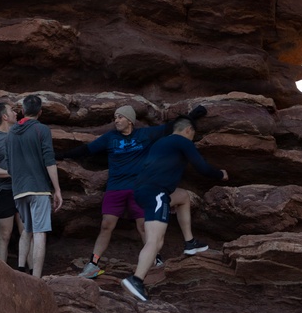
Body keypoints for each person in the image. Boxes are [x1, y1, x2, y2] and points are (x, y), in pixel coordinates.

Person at [57, 105, 210, 278]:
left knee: (144, 226)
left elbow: (172, 128)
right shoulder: (110, 138)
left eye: (119, 117)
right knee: (106, 224)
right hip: (115, 188)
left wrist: (193, 116)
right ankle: (93, 263)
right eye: (115, 117)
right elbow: (86, 150)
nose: (116, 120)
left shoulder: (144, 135)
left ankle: (155, 261)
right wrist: (61, 155)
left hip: (139, 188)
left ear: (130, 120)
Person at [122, 118, 227, 302]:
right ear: (188, 130)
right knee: (155, 241)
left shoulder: (162, 142)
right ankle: (136, 279)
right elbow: (201, 166)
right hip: (156, 192)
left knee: (183, 197)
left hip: (144, 191)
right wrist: (220, 174)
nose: (191, 141)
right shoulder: (182, 141)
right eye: (192, 136)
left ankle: (190, 243)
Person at [5, 94, 63, 277]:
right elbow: (49, 161)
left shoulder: (11, 132)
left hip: (19, 189)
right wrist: (57, 190)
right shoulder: (41, 129)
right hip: (38, 187)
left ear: (22, 111)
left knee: (27, 230)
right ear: (40, 112)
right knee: (39, 233)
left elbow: (9, 163)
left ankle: (21, 270)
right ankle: (36, 279)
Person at [0, 101, 28, 266]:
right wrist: (12, 173)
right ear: (5, 117)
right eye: (12, 111)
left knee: (26, 232)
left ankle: (31, 276)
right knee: (5, 234)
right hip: (4, 191)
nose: (16, 113)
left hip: (24, 190)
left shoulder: (21, 134)